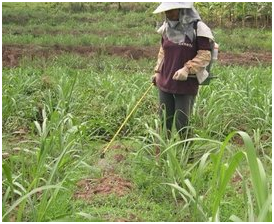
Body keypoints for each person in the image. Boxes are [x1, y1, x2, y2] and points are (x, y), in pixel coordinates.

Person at [152, 2, 214, 138]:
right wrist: (157, 72)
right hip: (166, 81)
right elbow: (163, 52)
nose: (167, 15)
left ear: (182, 10)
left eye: (171, 11)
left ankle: (188, 157)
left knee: (182, 124)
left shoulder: (199, 28)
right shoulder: (167, 28)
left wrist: (187, 69)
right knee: (164, 122)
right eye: (166, 12)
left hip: (186, 83)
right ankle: (162, 156)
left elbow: (205, 55)